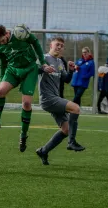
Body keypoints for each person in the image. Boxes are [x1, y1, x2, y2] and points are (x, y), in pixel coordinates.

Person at [0, 25, 53, 152]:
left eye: (3, 40)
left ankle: (23, 135)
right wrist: (2, 78)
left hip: (29, 69)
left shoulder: (20, 34)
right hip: (13, 69)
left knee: (27, 103)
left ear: (6, 33)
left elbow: (35, 42)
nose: (2, 43)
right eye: (0, 42)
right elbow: (3, 62)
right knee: (1, 91)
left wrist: (43, 61)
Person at [35, 37, 85, 165]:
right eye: (57, 44)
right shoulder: (44, 58)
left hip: (55, 97)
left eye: (62, 46)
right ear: (51, 45)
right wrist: (43, 68)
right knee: (75, 108)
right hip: (47, 98)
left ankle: (43, 151)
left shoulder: (60, 62)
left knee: (66, 129)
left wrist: (72, 70)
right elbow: (33, 69)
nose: (59, 47)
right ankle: (71, 142)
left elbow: (67, 79)